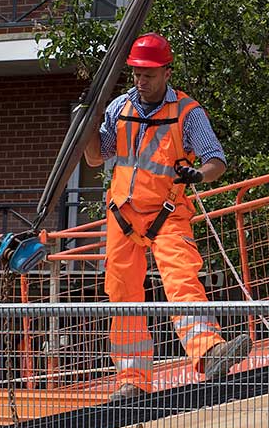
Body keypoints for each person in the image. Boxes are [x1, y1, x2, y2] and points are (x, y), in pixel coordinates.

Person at [85, 33, 252, 401]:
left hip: (167, 214)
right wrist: (87, 123)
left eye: (148, 74)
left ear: (166, 72)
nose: (140, 81)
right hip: (123, 216)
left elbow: (216, 160)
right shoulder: (118, 109)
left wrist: (199, 175)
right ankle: (132, 381)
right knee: (122, 297)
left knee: (181, 279)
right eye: (136, 73)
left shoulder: (187, 113)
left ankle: (209, 352)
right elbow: (96, 157)